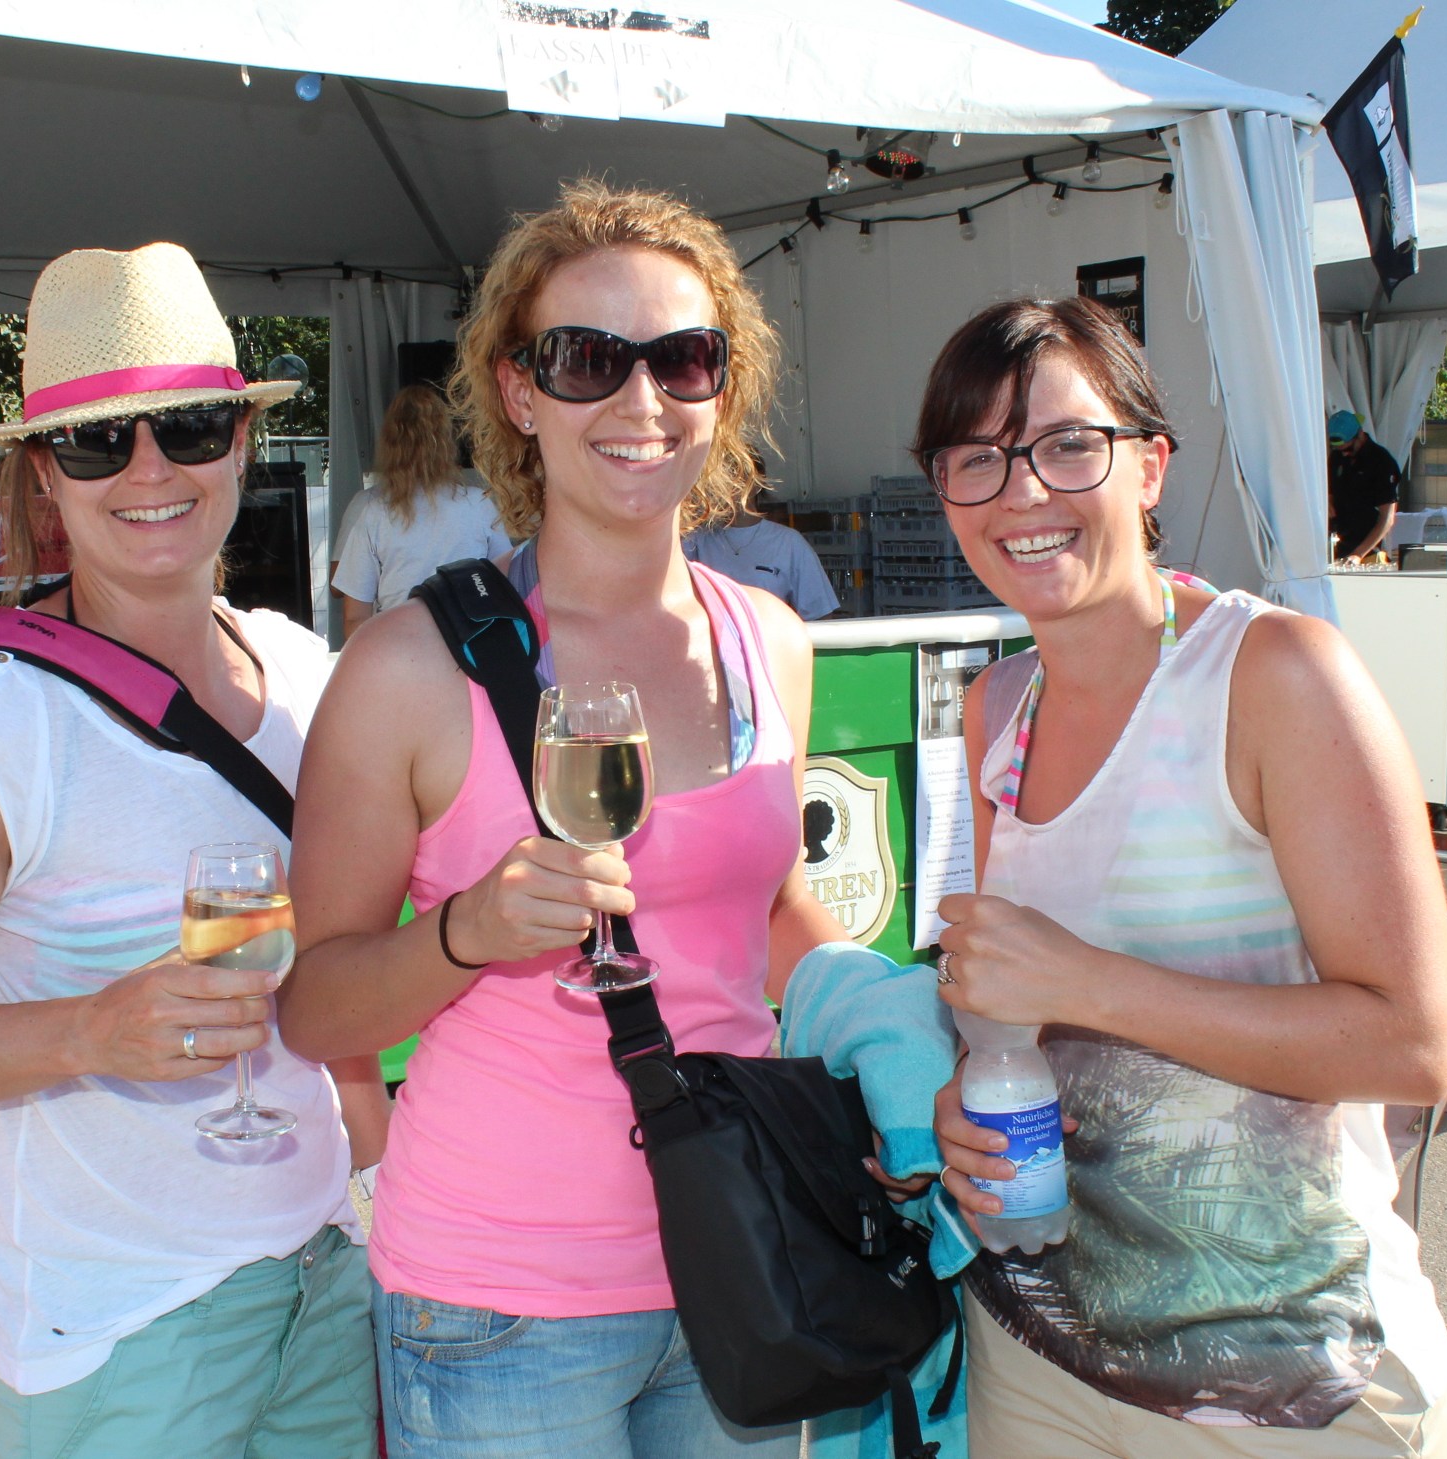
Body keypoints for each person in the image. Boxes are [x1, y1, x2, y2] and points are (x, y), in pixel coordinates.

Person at [277, 179, 847, 1459]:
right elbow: (313, 1010)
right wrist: (466, 933)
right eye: (588, 359)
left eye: (681, 359)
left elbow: (766, 913)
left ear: (721, 390)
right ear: (519, 392)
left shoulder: (769, 641)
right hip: (502, 1301)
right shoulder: (409, 668)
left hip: (742, 1254)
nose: (640, 400)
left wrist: (889, 1021)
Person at [0, 243, 386, 1459]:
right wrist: (90, 1031)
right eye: (95, 441)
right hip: (120, 1332)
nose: (148, 468)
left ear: (241, 442)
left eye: (186, 427)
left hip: (321, 1280)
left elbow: (336, 962)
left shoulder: (303, 673)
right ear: (44, 474)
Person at [917, 299, 1447, 1457]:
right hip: (1039, 1351)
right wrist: (961, 1102)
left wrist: (1089, 984)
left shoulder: (1273, 674)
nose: (1022, 492)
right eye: (976, 458)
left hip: (1284, 1374)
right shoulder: (994, 710)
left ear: (1149, 466)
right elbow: (1009, 1018)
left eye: (1067, 444)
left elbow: (1413, 1042)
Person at [331, 382, 512, 641]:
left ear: (390, 443)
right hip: (469, 645)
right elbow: (506, 583)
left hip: (401, 646)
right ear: (446, 441)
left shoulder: (373, 513)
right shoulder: (480, 504)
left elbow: (355, 616)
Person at [681, 463, 839, 620]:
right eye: (720, 479)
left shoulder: (789, 542)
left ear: (757, 483)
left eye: (736, 477)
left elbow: (820, 613)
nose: (727, 486)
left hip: (771, 635)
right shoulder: (696, 540)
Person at [1326, 409, 1402, 563]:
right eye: (1339, 450)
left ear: (1360, 434)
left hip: (1367, 549)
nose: (1344, 454)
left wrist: (1358, 554)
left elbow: (1387, 518)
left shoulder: (1381, 461)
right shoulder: (1337, 457)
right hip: (1336, 544)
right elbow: (1330, 493)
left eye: (1348, 449)